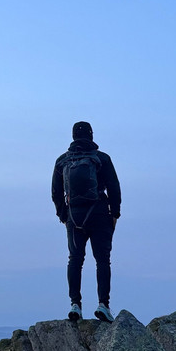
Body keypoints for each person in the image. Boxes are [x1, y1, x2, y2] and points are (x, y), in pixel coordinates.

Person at [51, 121, 121, 322]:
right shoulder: (102, 159)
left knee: (75, 259)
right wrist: (114, 214)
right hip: (98, 212)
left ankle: (75, 305)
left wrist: (63, 216)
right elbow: (114, 188)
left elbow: (56, 193)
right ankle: (103, 305)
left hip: (74, 216)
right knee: (102, 260)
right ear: (91, 135)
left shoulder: (62, 161)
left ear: (73, 136)